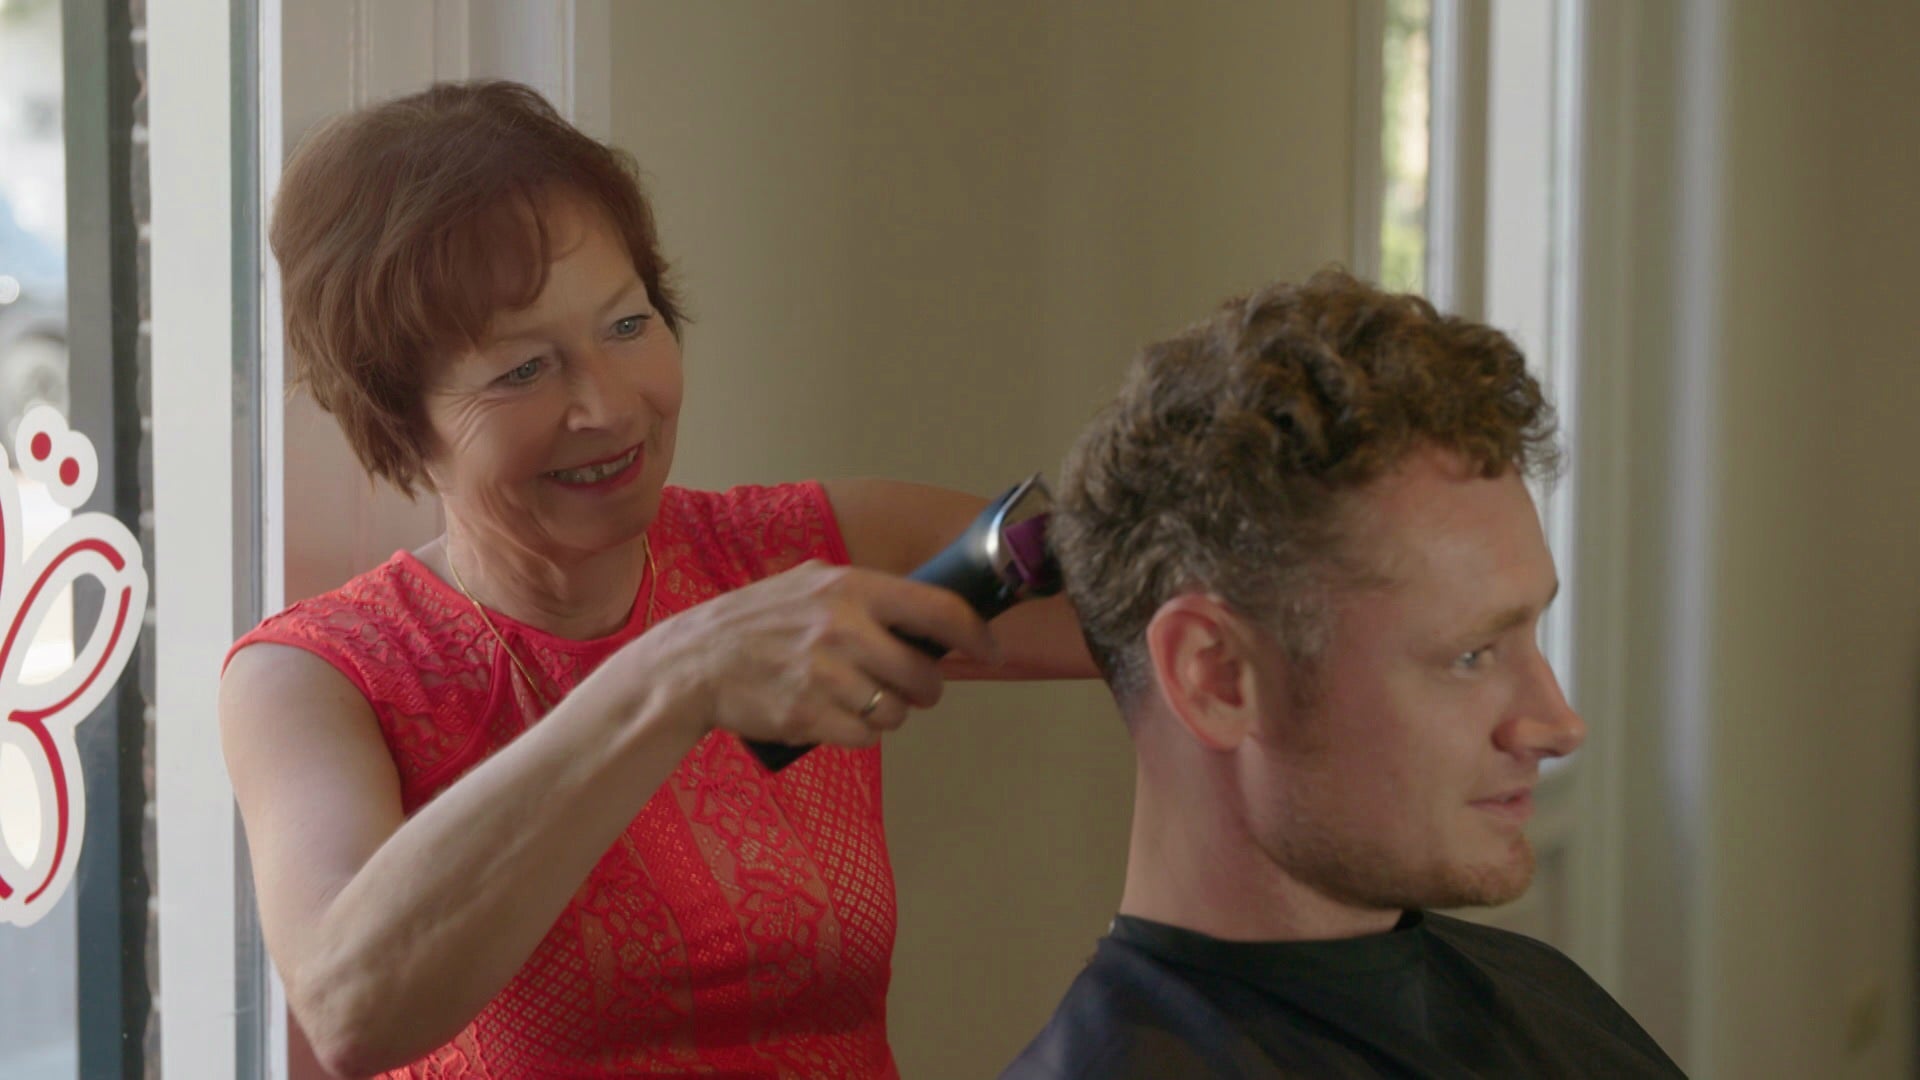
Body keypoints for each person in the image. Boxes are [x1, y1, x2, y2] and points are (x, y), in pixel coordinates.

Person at [219, 80, 1091, 1079]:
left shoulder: (800, 550)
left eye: (629, 325)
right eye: (522, 371)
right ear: (397, 420)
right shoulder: (316, 678)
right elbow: (350, 1005)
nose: (609, 405)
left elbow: (1184, 603)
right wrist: (670, 677)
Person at [1003, 271, 1685, 1078]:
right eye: (1470, 656)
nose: (1557, 723)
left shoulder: (1540, 991)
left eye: (1532, 633)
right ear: (1216, 677)